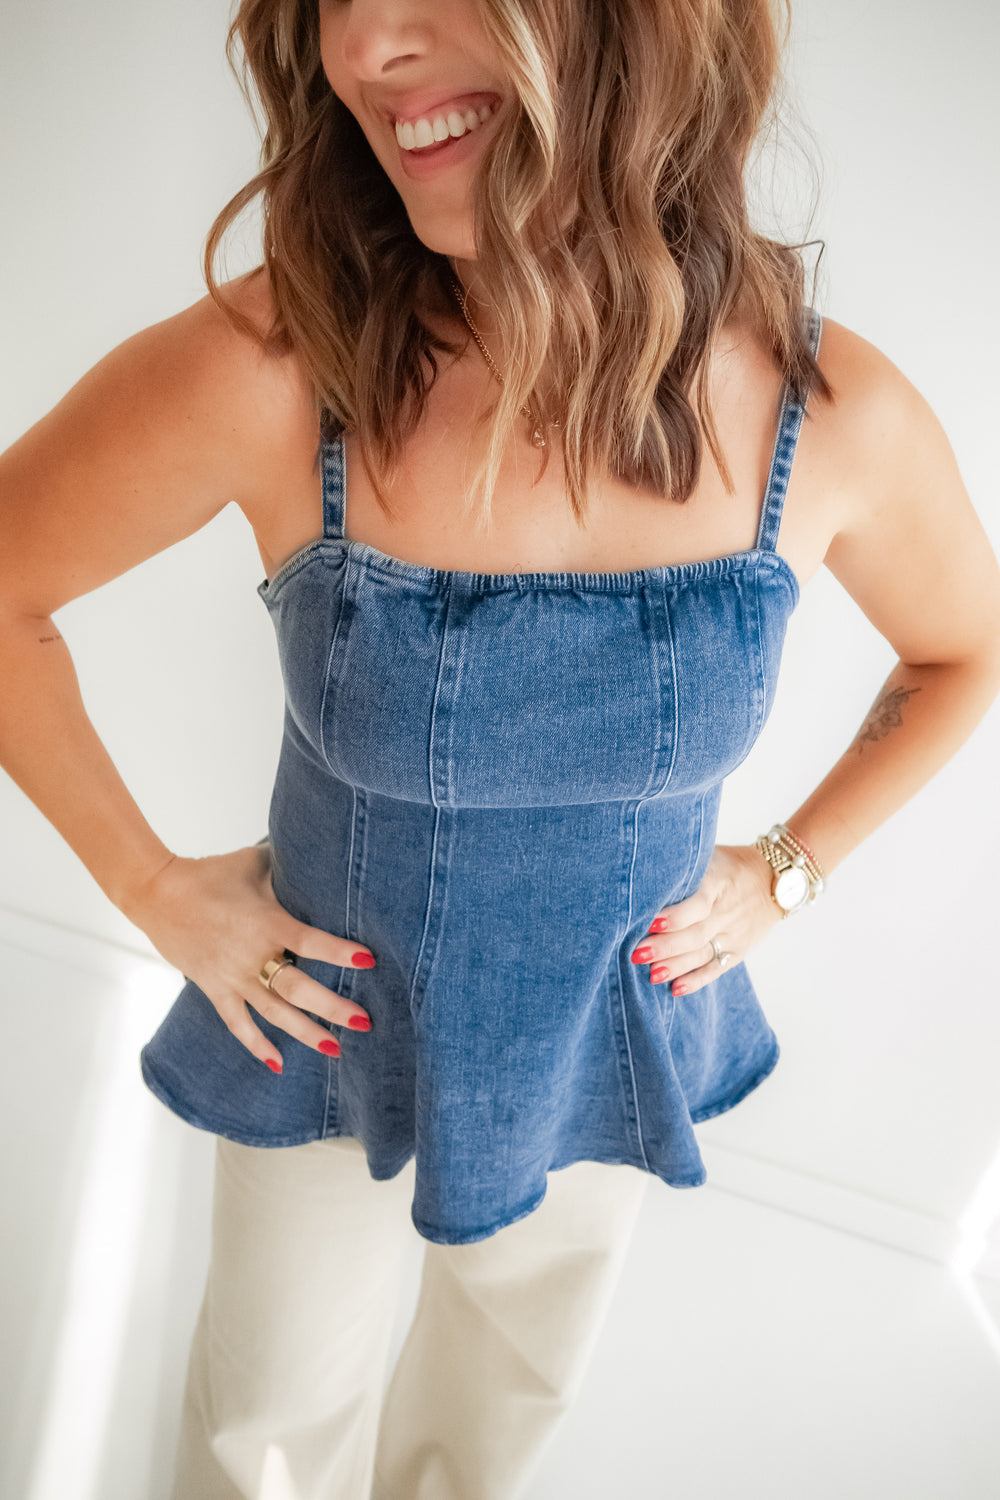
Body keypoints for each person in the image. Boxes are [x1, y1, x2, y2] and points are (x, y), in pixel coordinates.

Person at [2, 0, 999, 1496]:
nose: (369, 47)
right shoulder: (280, 367)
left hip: (610, 1033)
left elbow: (963, 650)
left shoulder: (825, 409)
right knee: (259, 1431)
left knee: (503, 1415)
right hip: (321, 1024)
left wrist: (787, 871)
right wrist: (149, 888)